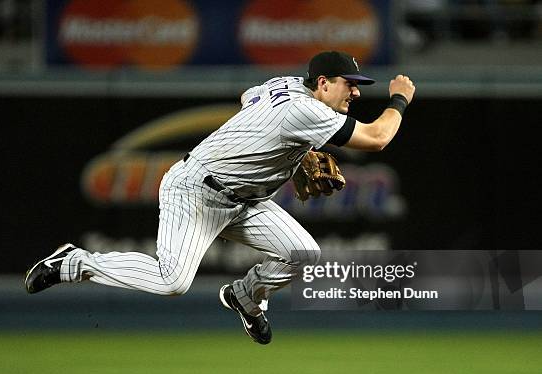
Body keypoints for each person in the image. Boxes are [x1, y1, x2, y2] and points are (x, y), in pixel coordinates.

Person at [24, 51, 415, 345]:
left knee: (305, 257)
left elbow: (250, 97)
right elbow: (377, 138)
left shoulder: (285, 84)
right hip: (195, 191)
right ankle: (74, 262)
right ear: (324, 83)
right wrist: (398, 100)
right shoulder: (306, 109)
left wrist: (292, 154)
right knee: (172, 281)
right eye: (350, 83)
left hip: (245, 201)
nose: (357, 91)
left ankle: (246, 297)